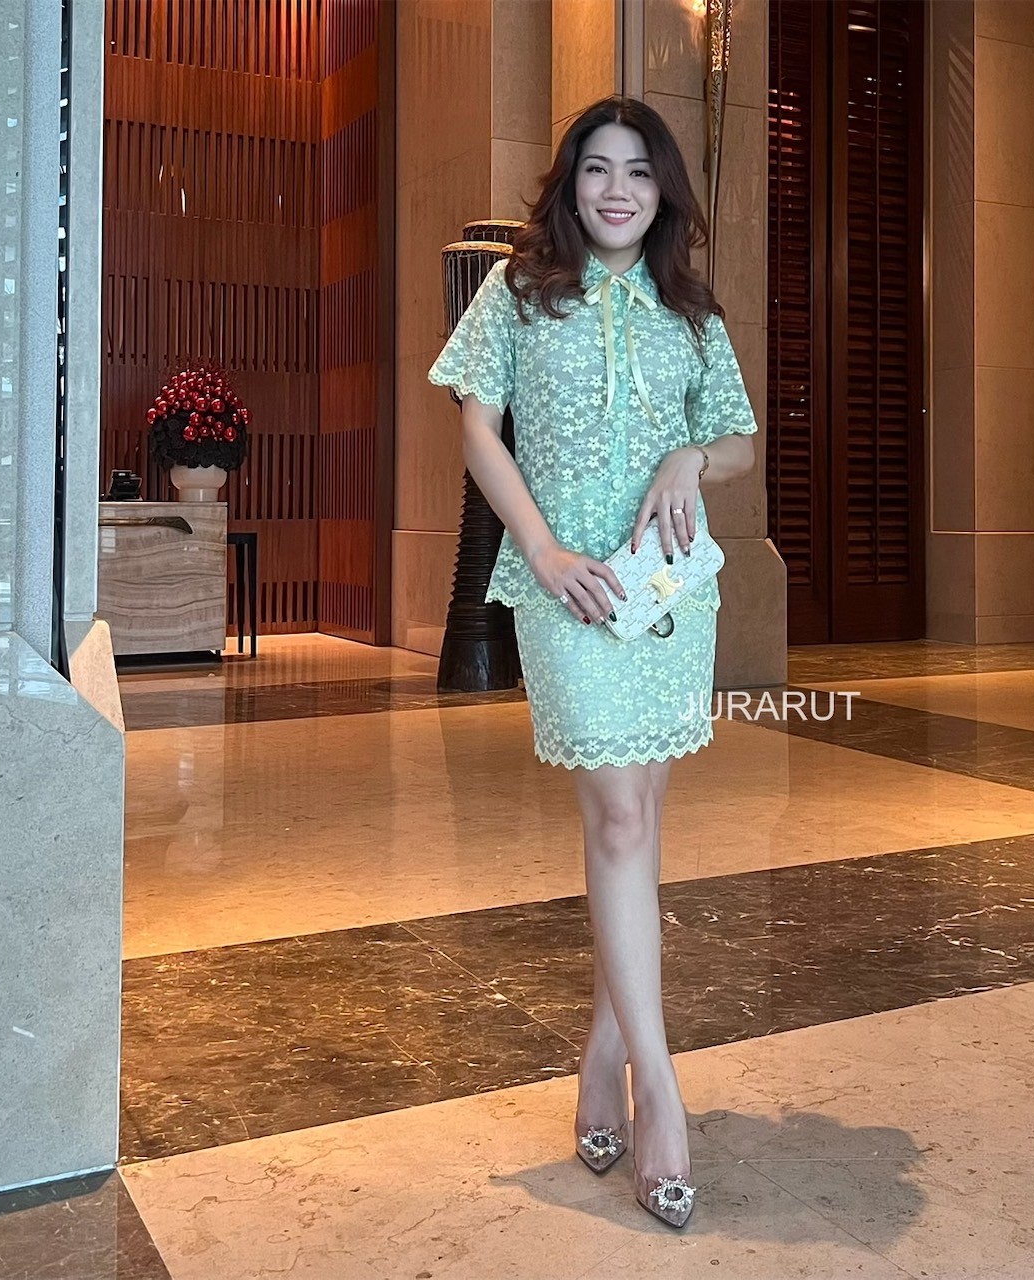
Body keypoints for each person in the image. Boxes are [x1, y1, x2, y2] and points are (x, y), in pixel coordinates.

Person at [428, 95, 758, 1229]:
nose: (618, 190)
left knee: (639, 821)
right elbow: (477, 427)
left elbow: (738, 438)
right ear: (570, 184)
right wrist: (543, 548)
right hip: (568, 588)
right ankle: (660, 1090)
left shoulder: (688, 308)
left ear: (663, 193)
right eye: (598, 170)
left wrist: (688, 456)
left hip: (666, 598)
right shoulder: (519, 291)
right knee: (619, 818)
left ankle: (602, 1054)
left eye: (639, 172)